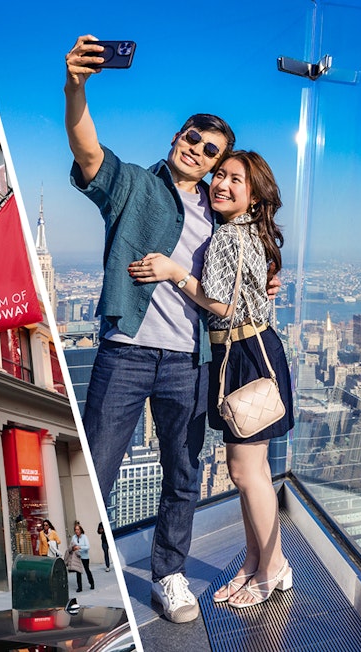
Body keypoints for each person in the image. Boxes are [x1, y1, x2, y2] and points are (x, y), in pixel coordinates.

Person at [65, 34, 234, 624]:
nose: (198, 151)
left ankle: (169, 575)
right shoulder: (135, 185)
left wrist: (261, 279)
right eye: (194, 138)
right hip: (127, 353)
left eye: (210, 150)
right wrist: (77, 86)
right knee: (98, 469)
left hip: (188, 361)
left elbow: (228, 291)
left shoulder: (223, 221)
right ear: (176, 137)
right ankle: (79, 575)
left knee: (184, 474)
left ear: (216, 164)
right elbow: (88, 154)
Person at [130, 151, 295, 608]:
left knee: (245, 473)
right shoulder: (243, 233)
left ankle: (272, 565)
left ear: (255, 196)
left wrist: (173, 271)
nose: (221, 183)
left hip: (244, 355)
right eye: (219, 175)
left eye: (235, 179)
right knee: (253, 471)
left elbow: (220, 304)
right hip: (252, 351)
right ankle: (255, 560)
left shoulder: (228, 237)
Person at [69, 522, 95, 592]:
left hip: (84, 556)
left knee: (87, 570)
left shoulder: (84, 537)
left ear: (81, 530)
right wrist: (73, 548)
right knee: (78, 572)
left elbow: (87, 547)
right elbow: (71, 545)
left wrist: (79, 547)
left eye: (78, 529)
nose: (77, 531)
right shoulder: (73, 537)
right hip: (77, 556)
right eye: (75, 530)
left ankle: (92, 583)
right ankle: (79, 587)